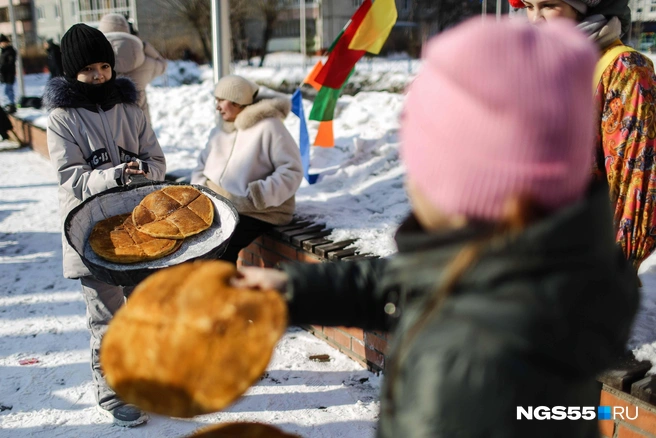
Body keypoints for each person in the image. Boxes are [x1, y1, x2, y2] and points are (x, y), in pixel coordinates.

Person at [232, 19, 639, 437]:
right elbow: (409, 281)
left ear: (471, 186)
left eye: (422, 164)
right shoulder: (526, 268)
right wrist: (291, 289)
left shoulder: (476, 367)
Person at [43, 23, 166, 427]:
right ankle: (112, 392)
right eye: (88, 70)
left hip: (137, 228)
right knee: (107, 317)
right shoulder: (62, 119)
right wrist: (114, 175)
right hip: (91, 232)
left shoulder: (131, 109)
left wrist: (144, 170)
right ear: (71, 73)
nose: (98, 75)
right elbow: (71, 178)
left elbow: (157, 162)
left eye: (103, 66)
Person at [513, 0, 656, 271]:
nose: (535, 19)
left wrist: (612, 275)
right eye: (528, 6)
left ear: (585, 7)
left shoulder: (624, 69)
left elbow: (636, 185)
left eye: (548, 5)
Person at [190, 75, 303, 264]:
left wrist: (259, 194)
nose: (217, 106)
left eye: (221, 101)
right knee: (192, 242)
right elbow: (202, 165)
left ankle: (224, 292)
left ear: (238, 102)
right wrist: (202, 190)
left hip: (260, 211)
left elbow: (292, 170)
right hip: (223, 205)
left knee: (220, 249)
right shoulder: (220, 130)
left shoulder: (269, 126)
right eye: (216, 100)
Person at [98, 13, 167, 125]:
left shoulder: (94, 65)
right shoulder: (145, 63)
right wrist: (144, 46)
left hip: (108, 128)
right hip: (141, 128)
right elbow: (163, 65)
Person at [0, 34, 16, 114]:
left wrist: (2, 67)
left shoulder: (10, 51)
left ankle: (11, 104)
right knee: (5, 91)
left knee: (8, 90)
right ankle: (9, 104)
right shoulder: (3, 51)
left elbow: (10, 63)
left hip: (9, 74)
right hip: (4, 75)